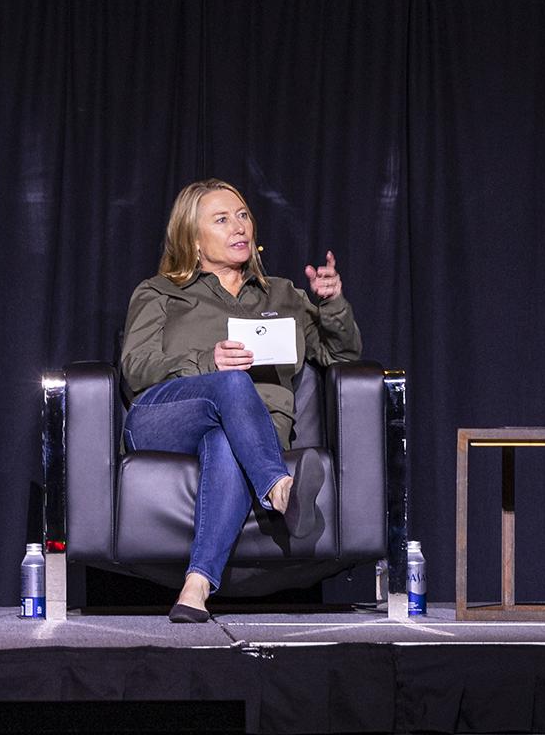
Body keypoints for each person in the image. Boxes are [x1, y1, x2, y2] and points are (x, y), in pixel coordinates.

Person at [120, 179, 363, 622]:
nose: (239, 227)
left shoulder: (283, 295)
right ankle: (280, 489)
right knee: (233, 383)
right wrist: (205, 360)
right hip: (165, 420)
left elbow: (341, 355)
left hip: (254, 431)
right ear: (192, 240)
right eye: (222, 219)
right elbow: (135, 367)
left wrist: (331, 305)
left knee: (225, 442)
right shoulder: (160, 293)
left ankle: (195, 588)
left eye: (244, 215)